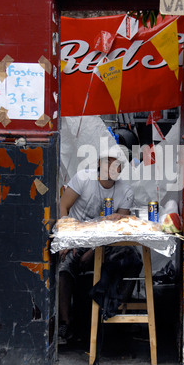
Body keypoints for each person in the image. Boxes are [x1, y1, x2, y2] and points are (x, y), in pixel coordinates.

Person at [58, 146, 142, 344]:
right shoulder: (83, 179)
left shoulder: (125, 191)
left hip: (105, 241)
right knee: (64, 266)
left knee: (133, 257)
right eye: (107, 162)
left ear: (121, 169)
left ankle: (114, 311)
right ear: (98, 163)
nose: (111, 167)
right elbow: (63, 206)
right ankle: (65, 323)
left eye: (116, 164)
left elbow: (121, 228)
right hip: (77, 236)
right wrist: (66, 237)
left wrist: (118, 219)